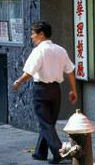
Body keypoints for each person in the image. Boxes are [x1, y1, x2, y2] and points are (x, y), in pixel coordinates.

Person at [13, 22, 78, 164]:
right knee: (48, 122)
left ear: (41, 34)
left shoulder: (39, 51)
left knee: (46, 124)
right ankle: (40, 152)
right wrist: (73, 90)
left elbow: (29, 72)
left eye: (33, 33)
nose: (31, 36)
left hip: (41, 90)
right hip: (56, 91)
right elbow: (70, 72)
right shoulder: (60, 50)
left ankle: (60, 151)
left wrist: (18, 81)